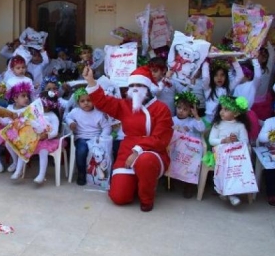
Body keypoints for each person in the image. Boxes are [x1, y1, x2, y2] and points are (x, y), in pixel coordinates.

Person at [83, 65, 173, 212]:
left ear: (148, 87)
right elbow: (103, 101)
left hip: (153, 152)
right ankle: (136, 183)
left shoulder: (161, 109)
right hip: (127, 150)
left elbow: (161, 138)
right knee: (119, 197)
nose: (135, 88)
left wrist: (138, 151)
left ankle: (147, 199)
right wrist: (91, 81)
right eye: (132, 85)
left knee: (145, 161)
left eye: (139, 85)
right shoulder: (125, 105)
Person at [65, 87, 113, 186]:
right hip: (81, 138)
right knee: (81, 150)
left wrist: (102, 137)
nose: (86, 103)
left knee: (100, 153)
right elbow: (67, 117)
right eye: (82, 101)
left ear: (94, 101)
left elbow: (106, 127)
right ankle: (81, 173)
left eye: (89, 100)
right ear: (78, 103)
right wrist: (71, 123)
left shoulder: (99, 114)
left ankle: (100, 175)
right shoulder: (75, 112)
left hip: (96, 139)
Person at [208, 95, 251, 207]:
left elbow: (245, 142)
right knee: (225, 162)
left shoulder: (240, 126)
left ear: (235, 113)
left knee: (233, 164)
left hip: (234, 155)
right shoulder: (217, 124)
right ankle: (228, 192)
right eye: (221, 109)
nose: (222, 112)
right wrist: (224, 140)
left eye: (226, 109)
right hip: (219, 154)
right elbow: (211, 140)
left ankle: (229, 192)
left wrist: (236, 141)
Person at [10, 92, 61, 184]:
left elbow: (55, 132)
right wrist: (22, 117)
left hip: (47, 140)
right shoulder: (35, 113)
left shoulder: (53, 116)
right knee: (23, 149)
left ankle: (41, 175)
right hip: (33, 138)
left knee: (43, 151)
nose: (42, 107)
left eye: (45, 105)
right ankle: (18, 170)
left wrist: (47, 135)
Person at [169, 91, 206, 198]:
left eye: (185, 109)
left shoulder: (192, 121)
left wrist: (196, 116)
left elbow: (202, 129)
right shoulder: (172, 120)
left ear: (190, 111)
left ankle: (189, 185)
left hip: (189, 149)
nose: (181, 111)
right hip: (176, 147)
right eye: (179, 108)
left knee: (192, 158)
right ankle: (170, 181)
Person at [0, 82, 32, 173]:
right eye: (23, 96)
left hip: (20, 133)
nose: (26, 98)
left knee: (8, 144)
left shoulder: (28, 109)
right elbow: (4, 122)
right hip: (8, 130)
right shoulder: (9, 107)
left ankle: (15, 162)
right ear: (15, 98)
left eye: (27, 96)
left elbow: (29, 124)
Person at [201, 58, 244, 124]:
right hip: (208, 122)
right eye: (216, 75)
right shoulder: (208, 88)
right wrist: (206, 62)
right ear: (212, 77)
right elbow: (205, 78)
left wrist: (234, 61)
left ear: (226, 76)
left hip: (222, 121)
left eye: (222, 75)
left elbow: (240, 76)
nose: (219, 78)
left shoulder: (228, 88)